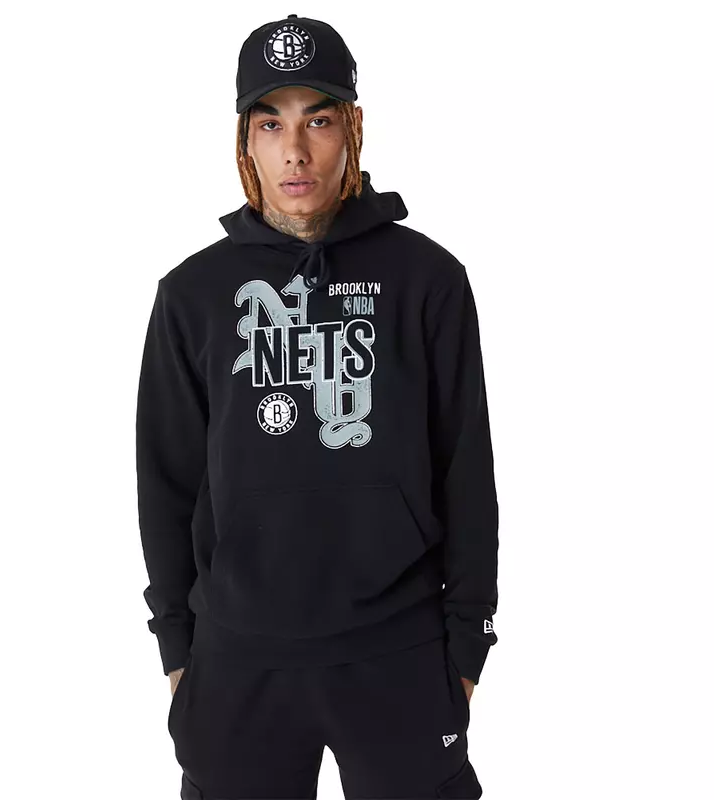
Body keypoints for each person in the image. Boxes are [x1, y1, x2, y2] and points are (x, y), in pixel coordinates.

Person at [136, 14, 499, 800]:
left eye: (319, 120)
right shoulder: (193, 295)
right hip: (237, 661)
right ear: (245, 140)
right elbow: (166, 484)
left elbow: (466, 468)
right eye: (271, 123)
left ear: (353, 129)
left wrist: (468, 643)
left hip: (399, 652)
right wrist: (178, 652)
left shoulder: (429, 281)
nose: (295, 150)